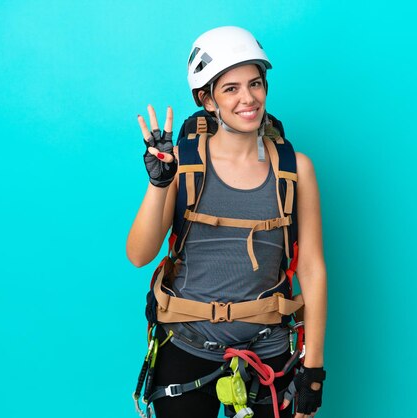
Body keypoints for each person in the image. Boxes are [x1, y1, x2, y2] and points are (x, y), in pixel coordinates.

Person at [127, 26, 327, 418]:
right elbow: (140, 254)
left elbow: (313, 269)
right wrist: (159, 183)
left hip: (268, 350)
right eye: (231, 88)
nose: (248, 98)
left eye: (255, 83)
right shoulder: (181, 163)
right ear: (207, 99)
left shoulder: (296, 169)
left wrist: (313, 372)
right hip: (186, 344)